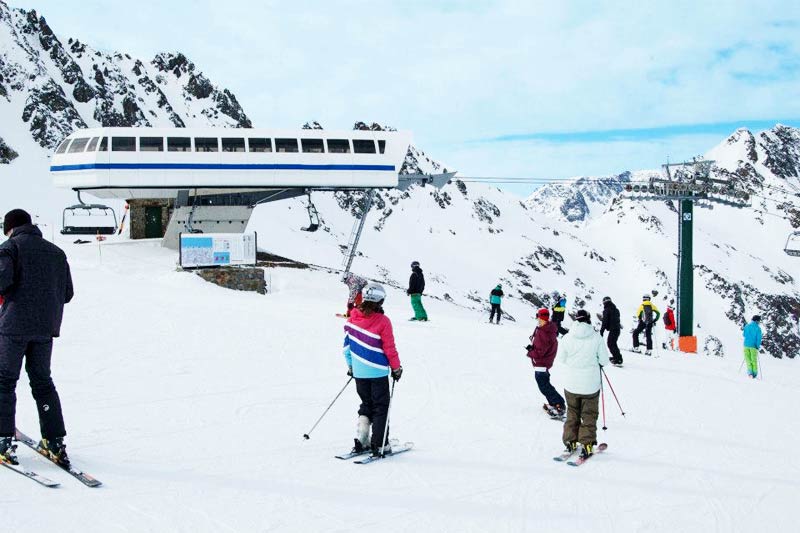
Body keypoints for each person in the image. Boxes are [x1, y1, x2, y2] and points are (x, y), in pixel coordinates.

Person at [0, 209, 73, 466]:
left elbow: (2, 282)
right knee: (42, 381)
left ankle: (2, 440)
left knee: (4, 381)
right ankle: (54, 441)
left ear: (10, 227)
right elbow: (67, 293)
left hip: (14, 327)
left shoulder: (10, 248)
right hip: (45, 328)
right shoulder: (56, 252)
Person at [344, 282, 403, 457]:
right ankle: (380, 444)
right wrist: (396, 368)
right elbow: (389, 348)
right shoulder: (383, 321)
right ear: (380, 301)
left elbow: (346, 348)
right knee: (380, 407)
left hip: (360, 373)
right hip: (377, 372)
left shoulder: (352, 318)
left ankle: (362, 439)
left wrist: (351, 367)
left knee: (366, 404)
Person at [557, 309, 607, 460]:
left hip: (571, 384)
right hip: (590, 385)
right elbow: (604, 360)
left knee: (572, 413)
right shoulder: (596, 337)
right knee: (589, 415)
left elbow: (562, 359)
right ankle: (587, 444)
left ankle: (570, 443)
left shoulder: (567, 337)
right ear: (589, 319)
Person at [526, 308, 565, 416]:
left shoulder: (544, 332)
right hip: (543, 363)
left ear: (541, 318)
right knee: (545, 385)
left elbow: (540, 352)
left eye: (538, 317)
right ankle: (554, 403)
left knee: (544, 386)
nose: (537, 319)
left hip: (541, 363)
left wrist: (530, 352)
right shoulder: (546, 329)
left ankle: (559, 404)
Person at [599, 296, 623, 365]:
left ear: (604, 302)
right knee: (613, 343)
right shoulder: (616, 309)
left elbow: (605, 321)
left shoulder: (606, 310)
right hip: (617, 329)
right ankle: (617, 357)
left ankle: (618, 359)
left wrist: (602, 331)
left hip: (613, 329)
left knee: (611, 343)